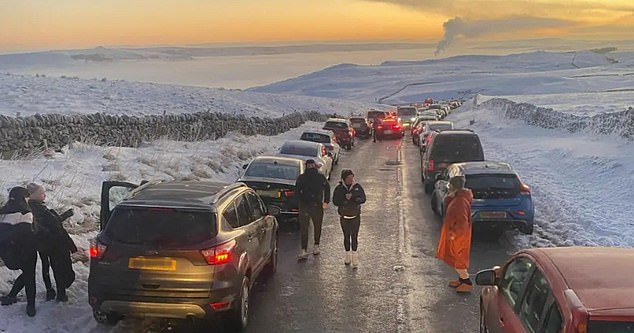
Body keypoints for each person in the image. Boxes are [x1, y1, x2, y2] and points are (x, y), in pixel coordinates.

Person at [26, 183, 77, 303]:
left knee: (49, 267)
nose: (45, 195)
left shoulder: (35, 207)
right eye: (42, 193)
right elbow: (53, 223)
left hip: (45, 244)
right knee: (59, 268)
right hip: (53, 244)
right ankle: (60, 293)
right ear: (33, 195)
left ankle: (54, 291)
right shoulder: (37, 208)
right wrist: (66, 215)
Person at [0, 187, 38, 316]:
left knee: (26, 275)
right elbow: (28, 234)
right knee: (29, 276)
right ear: (23, 198)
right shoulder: (26, 213)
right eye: (27, 197)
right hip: (25, 252)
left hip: (8, 254)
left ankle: (11, 296)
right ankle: (31, 305)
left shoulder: (2, 213)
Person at [436, 176, 474, 293]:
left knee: (459, 260)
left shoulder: (460, 202)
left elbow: (462, 223)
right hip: (456, 235)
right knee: (455, 258)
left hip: (458, 237)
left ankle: (467, 282)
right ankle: (462, 280)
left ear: (453, 186)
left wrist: (454, 235)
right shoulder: (458, 198)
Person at [295, 159, 330, 261]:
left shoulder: (320, 177)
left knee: (317, 225)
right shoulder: (302, 178)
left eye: (312, 165)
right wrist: (299, 201)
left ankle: (316, 245)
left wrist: (326, 201)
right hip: (305, 205)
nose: (310, 167)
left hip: (317, 204)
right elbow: (296, 190)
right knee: (304, 228)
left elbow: (327, 187)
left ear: (314, 166)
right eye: (308, 165)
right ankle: (304, 249)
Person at [332, 169, 366, 268]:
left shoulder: (357, 187)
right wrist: (344, 200)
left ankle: (355, 256)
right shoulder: (339, 189)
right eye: (348, 178)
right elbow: (335, 201)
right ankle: (347, 255)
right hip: (344, 216)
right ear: (344, 179)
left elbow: (363, 198)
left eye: (352, 178)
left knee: (354, 236)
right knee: (346, 236)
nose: (350, 180)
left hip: (355, 216)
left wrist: (355, 199)